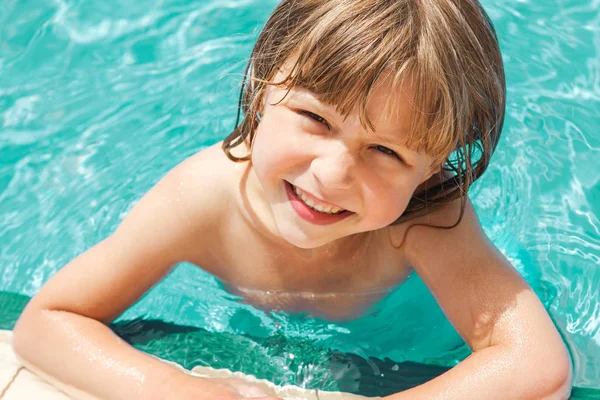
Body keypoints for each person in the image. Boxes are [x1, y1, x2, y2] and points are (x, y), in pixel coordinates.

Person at [12, 0, 572, 399]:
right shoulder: (202, 200)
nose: (331, 174)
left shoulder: (423, 221)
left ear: (430, 173)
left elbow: (538, 364)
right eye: (313, 118)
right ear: (260, 89)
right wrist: (170, 387)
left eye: (386, 152)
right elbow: (48, 320)